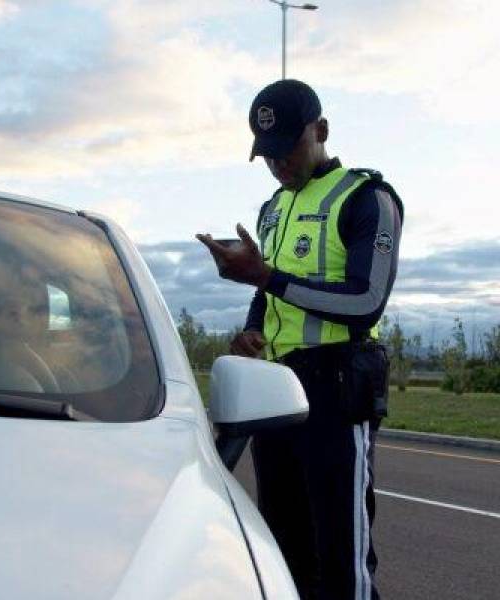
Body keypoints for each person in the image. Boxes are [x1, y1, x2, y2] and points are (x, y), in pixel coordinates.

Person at [197, 79, 403, 600]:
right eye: (267, 156)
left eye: (288, 149)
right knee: (284, 548)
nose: (278, 165)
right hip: (278, 391)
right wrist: (251, 328)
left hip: (337, 386)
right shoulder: (272, 209)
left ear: (322, 131)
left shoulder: (366, 198)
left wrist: (265, 277)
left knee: (342, 556)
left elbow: (365, 302)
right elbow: (270, 297)